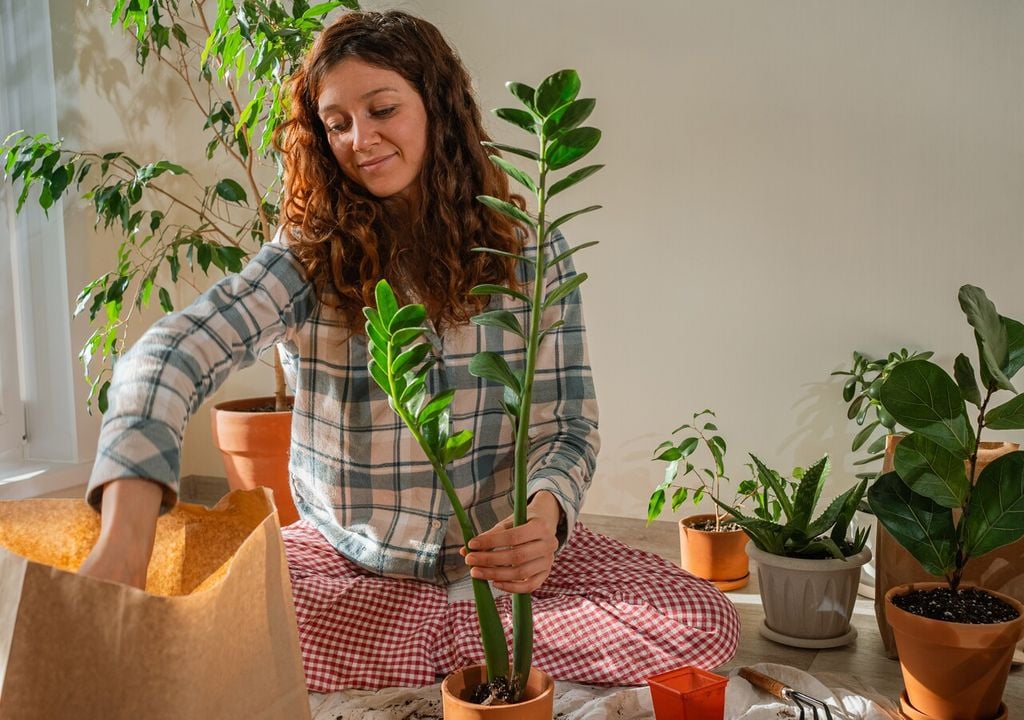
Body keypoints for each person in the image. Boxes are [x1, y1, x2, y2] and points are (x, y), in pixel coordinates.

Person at [78, 9, 739, 691]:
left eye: (382, 109)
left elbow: (567, 426)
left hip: (499, 569)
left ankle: (417, 645)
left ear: (438, 106)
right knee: (203, 611)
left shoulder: (530, 251)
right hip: (347, 562)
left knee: (704, 621)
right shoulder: (307, 256)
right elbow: (173, 352)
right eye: (336, 124)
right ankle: (474, 650)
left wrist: (543, 520)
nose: (359, 141)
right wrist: (125, 540)